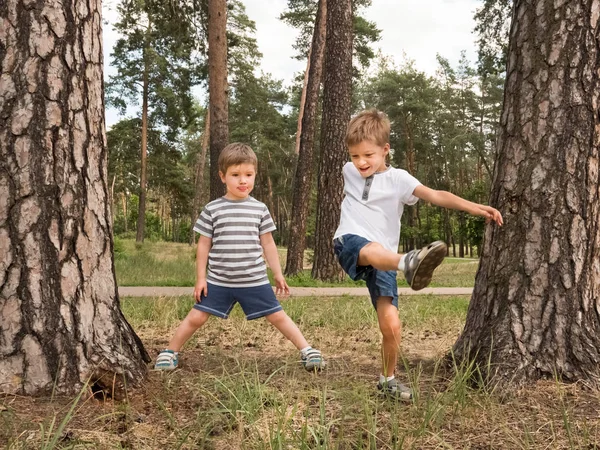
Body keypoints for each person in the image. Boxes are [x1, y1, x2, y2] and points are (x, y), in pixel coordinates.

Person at [333, 109, 503, 399]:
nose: (360, 162)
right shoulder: (348, 171)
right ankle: (407, 262)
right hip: (350, 241)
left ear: (385, 150)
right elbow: (358, 144)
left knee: (392, 324)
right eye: (355, 156)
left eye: (368, 155)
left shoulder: (399, 179)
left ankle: (387, 380)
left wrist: (474, 207)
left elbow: (435, 195)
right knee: (371, 250)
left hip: (384, 258)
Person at [154, 143, 325, 372]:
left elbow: (268, 243)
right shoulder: (212, 209)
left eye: (248, 175)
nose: (243, 181)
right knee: (196, 317)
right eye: (235, 175)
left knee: (278, 316)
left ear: (255, 175)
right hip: (218, 281)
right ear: (222, 176)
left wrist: (277, 273)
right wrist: (200, 278)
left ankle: (307, 350)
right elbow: (204, 245)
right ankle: (170, 352)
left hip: (254, 280)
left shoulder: (260, 209)